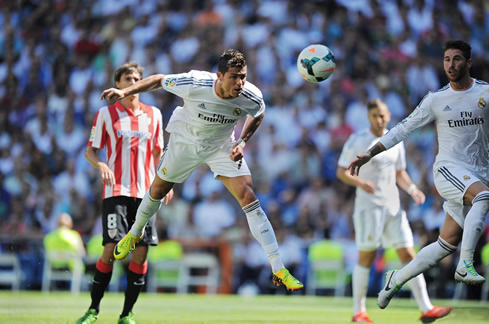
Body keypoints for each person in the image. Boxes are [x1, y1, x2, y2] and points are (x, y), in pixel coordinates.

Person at [101, 49, 303, 292]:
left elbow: (258, 113)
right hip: (185, 142)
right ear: (219, 75)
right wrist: (124, 92)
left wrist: (242, 141)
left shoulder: (251, 96)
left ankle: (278, 267)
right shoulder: (195, 82)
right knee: (157, 190)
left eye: (243, 76)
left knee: (248, 195)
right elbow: (158, 80)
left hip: (221, 146)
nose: (240, 83)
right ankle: (134, 233)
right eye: (234, 77)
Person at [348, 40, 489, 310]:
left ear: (468, 63)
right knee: (484, 198)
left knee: (444, 246)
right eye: (447, 59)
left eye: (457, 59)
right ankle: (466, 264)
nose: (451, 65)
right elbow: (403, 128)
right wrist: (370, 153)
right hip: (448, 170)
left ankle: (395, 280)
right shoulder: (436, 100)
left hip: (478, 173)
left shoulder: (486, 94)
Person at [337, 99, 452, 323]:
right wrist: (361, 184)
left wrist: (412, 189)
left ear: (388, 115)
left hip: (394, 208)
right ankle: (358, 312)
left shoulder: (394, 140)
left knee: (409, 256)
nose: (379, 120)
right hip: (369, 208)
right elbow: (342, 171)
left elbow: (400, 172)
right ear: (368, 118)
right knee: (367, 257)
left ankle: (426, 308)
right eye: (374, 116)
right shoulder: (358, 140)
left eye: (382, 115)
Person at [77, 62, 173, 324]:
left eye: (136, 78)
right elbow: (90, 150)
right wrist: (101, 165)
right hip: (116, 191)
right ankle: (93, 309)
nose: (132, 82)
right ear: (117, 84)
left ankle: (126, 314)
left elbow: (158, 153)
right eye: (127, 78)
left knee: (141, 252)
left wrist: (166, 182)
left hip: (146, 194)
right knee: (110, 249)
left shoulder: (154, 114)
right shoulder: (106, 115)